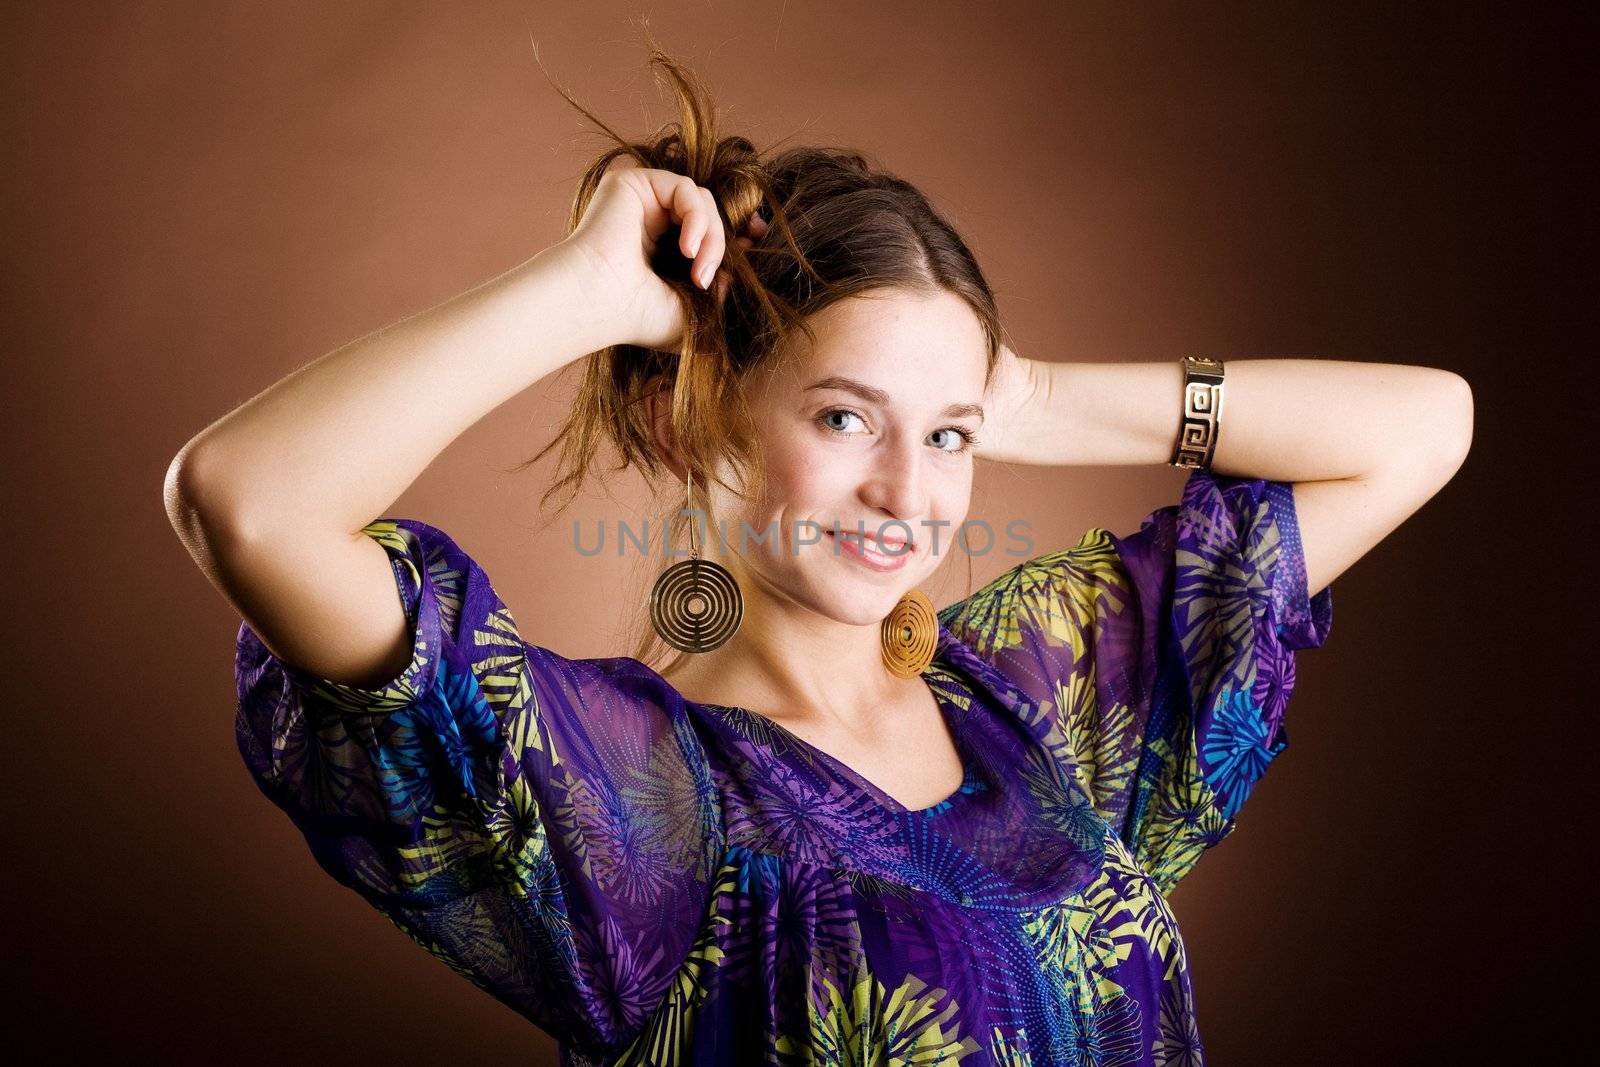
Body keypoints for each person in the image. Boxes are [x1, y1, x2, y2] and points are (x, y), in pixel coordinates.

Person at [167, 51, 1472, 1067]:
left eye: (945, 439)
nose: (908, 491)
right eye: (846, 417)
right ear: (707, 414)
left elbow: (1424, 428)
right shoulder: (632, 801)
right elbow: (249, 503)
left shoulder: (1037, 701)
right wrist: (586, 296)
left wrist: (1025, 398)